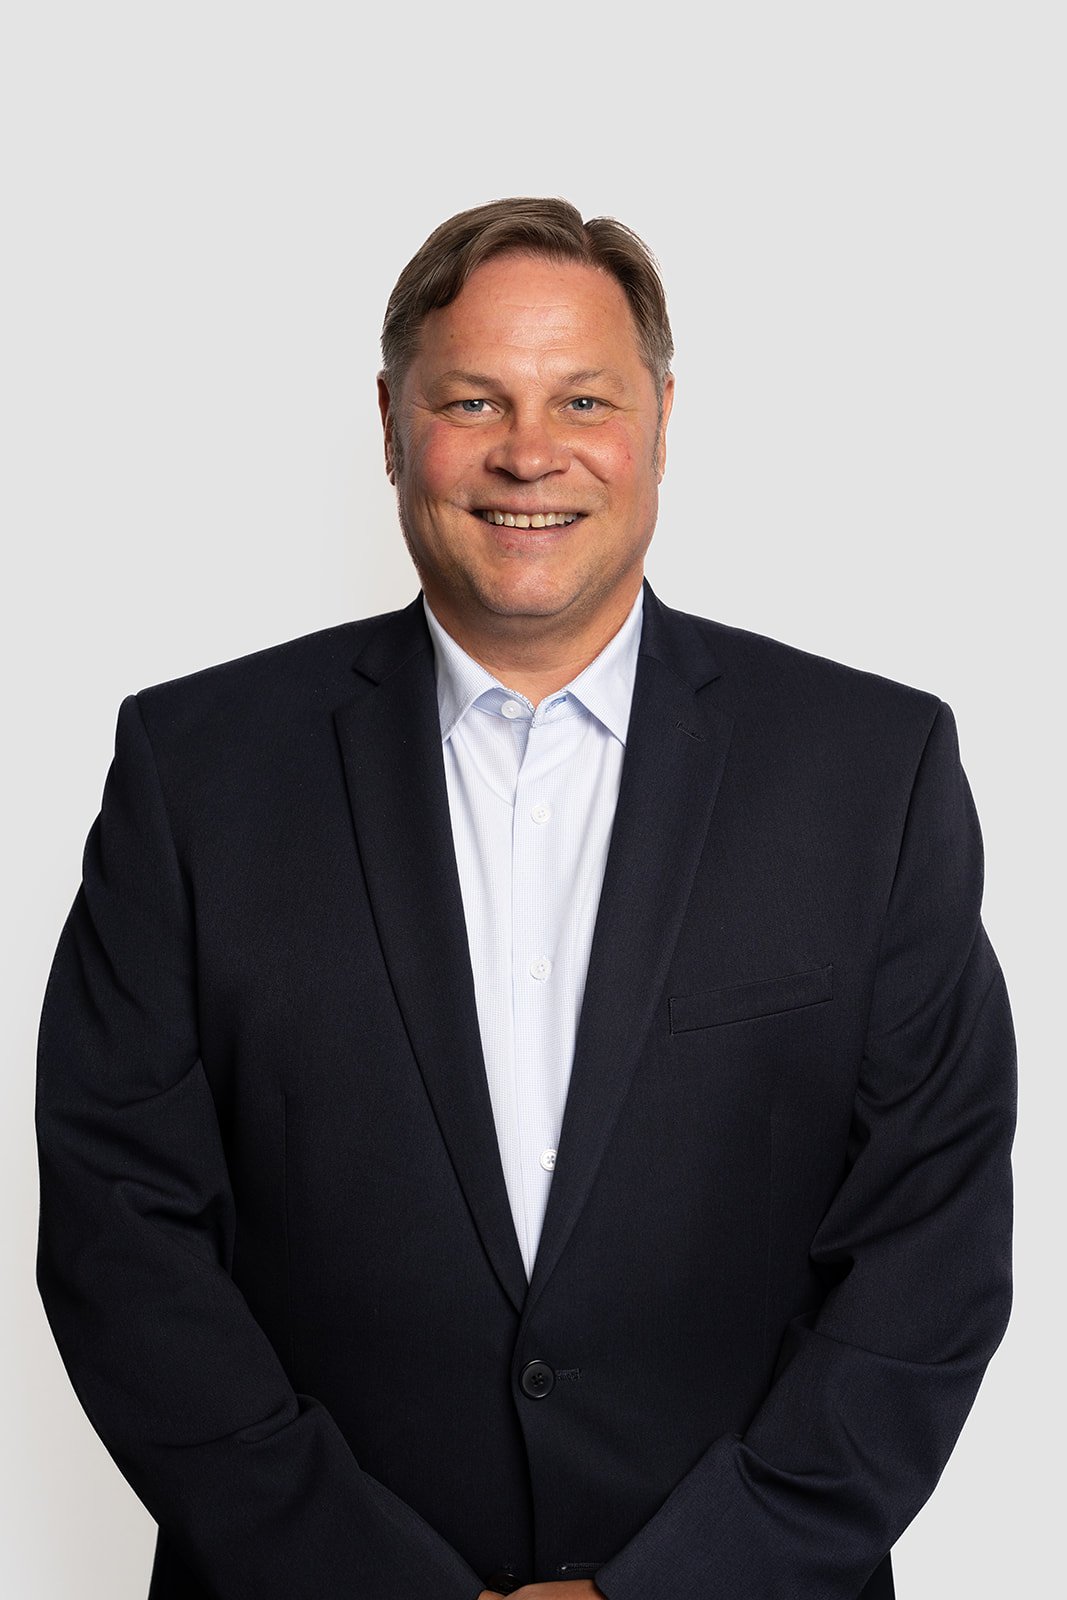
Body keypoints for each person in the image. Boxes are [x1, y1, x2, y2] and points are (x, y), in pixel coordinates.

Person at [36, 197, 1016, 1600]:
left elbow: (932, 1250)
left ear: (663, 423)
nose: (529, 451)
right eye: (474, 400)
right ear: (390, 427)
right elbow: (118, 1237)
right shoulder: (194, 770)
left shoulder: (872, 771)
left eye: (584, 400)